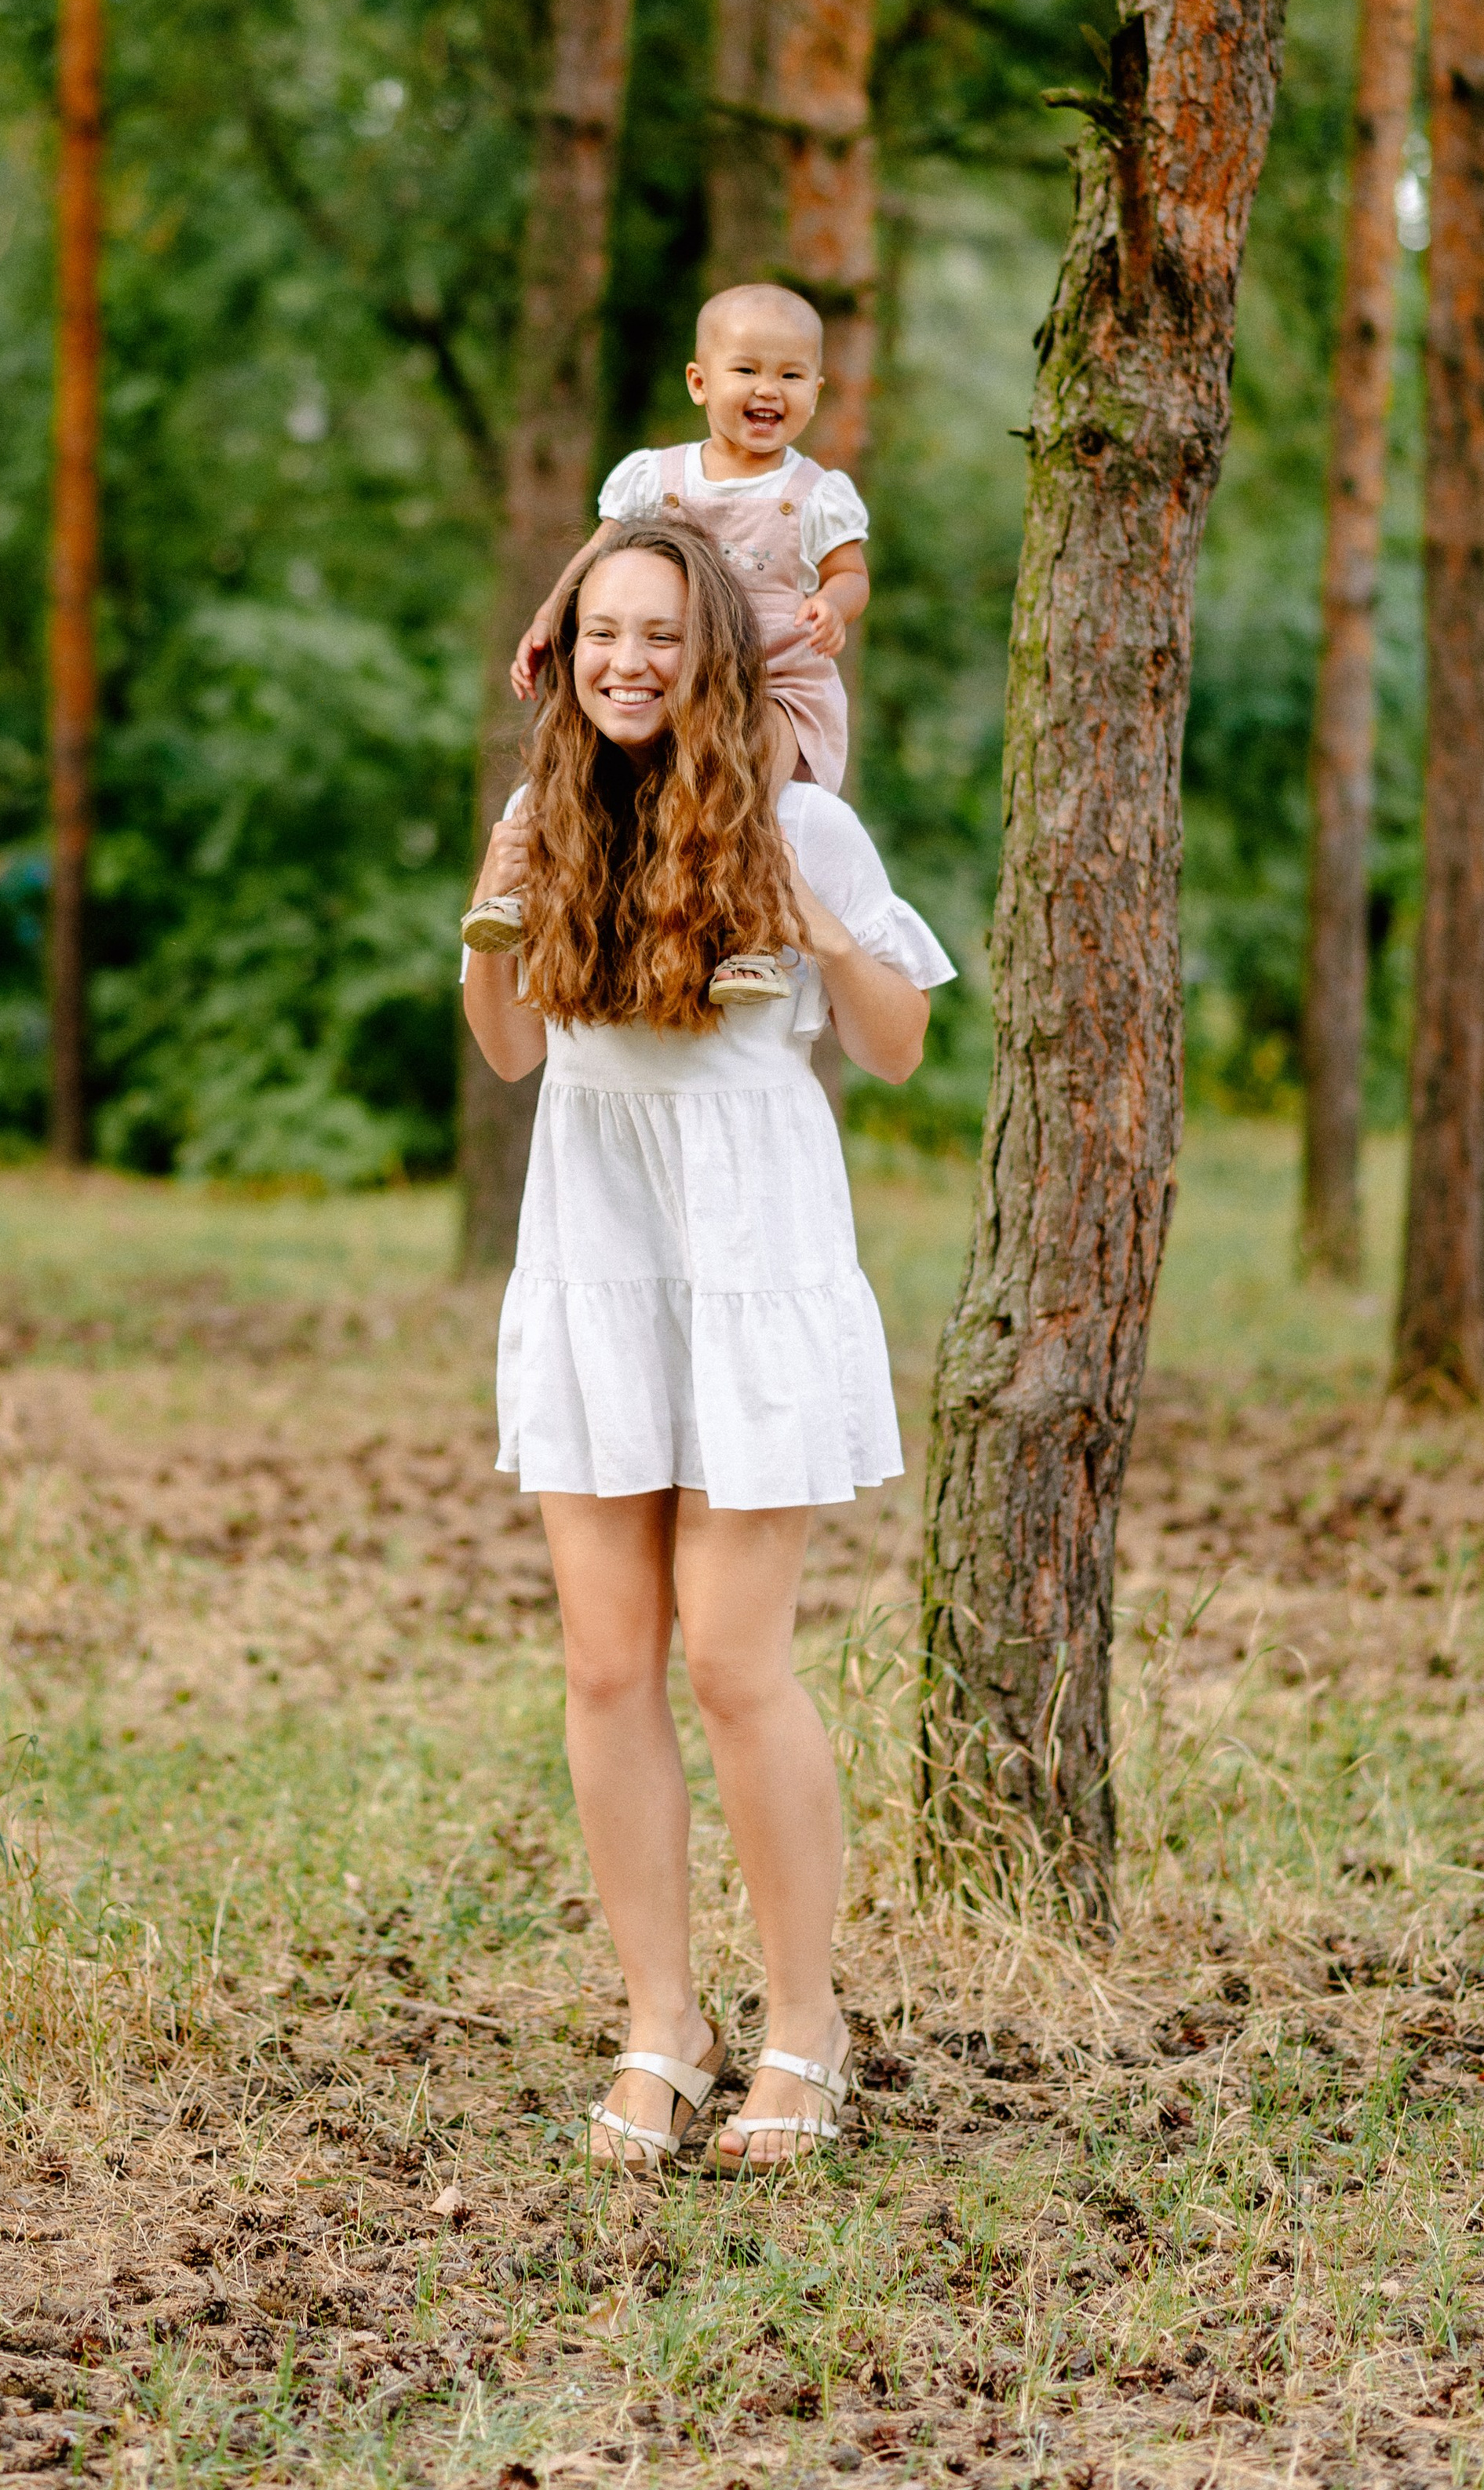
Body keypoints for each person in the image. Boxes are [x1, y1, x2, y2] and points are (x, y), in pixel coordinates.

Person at [461, 518, 953, 2175]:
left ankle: (802, 2022)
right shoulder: (548, 816)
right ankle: (659, 2020)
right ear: (567, 645)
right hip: (597, 1252)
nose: (628, 662)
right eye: (603, 632)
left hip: (747, 1259)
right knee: (606, 1664)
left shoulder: (802, 816)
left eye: (661, 635)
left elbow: (893, 1048)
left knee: (735, 1663)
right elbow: (511, 1051)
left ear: (715, 653)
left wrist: (820, 925)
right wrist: (490, 912)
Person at [461, 283, 871, 1006]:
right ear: (699, 381)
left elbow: (850, 574)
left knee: (746, 778)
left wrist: (831, 606)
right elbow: (597, 555)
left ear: (817, 389)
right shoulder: (658, 477)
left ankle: (750, 942)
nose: (767, 389)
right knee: (570, 758)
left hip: (774, 684)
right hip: (672, 673)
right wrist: (549, 614)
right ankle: (512, 898)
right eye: (747, 370)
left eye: (791, 374)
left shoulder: (815, 492)